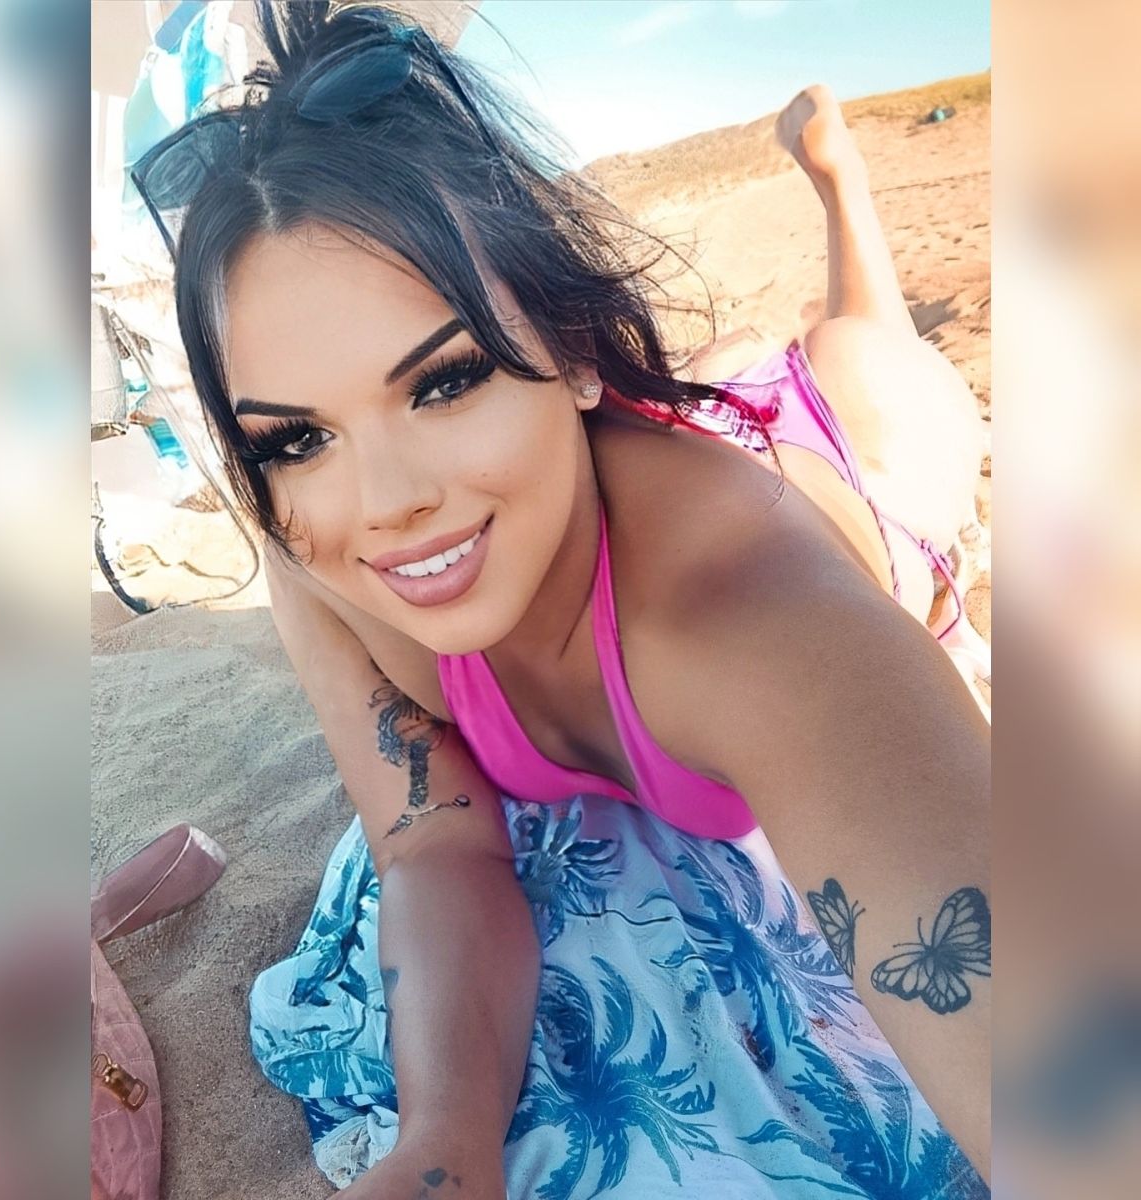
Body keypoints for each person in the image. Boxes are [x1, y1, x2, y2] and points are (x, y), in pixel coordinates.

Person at [135, 3, 989, 1194]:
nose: (385, 503)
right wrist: (443, 1140)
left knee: (874, 374)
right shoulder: (319, 558)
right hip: (607, 466)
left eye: (444, 381)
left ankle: (838, 179)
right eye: (296, 438)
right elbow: (430, 837)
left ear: (576, 347)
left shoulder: (759, 625)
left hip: (834, 483)